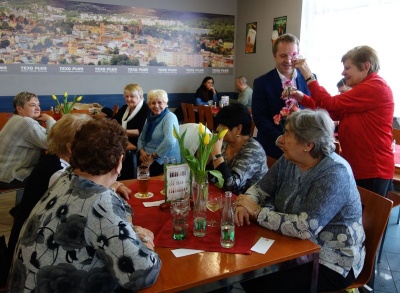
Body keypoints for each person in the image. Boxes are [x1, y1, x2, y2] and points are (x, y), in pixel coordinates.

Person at [8, 118, 161, 292]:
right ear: (119, 162)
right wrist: (147, 243)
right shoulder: (99, 201)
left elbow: (115, 205)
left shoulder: (68, 176)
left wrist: (128, 227)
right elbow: (142, 274)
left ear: (74, 151)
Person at [235, 109, 365, 292]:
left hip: (331, 260)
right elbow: (260, 188)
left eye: (288, 133)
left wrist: (256, 211)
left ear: (308, 144)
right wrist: (245, 203)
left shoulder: (334, 172)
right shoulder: (289, 159)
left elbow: (304, 227)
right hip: (292, 245)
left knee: (261, 280)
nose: (281, 139)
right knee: (246, 270)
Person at [291, 45, 394, 197]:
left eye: (347, 68)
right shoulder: (365, 89)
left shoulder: (376, 86)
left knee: (366, 220)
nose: (343, 73)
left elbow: (330, 104)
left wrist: (308, 75)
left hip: (372, 169)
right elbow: (332, 111)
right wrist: (303, 98)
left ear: (366, 66)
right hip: (360, 166)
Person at [252, 33, 314, 162]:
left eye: (293, 55)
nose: (288, 60)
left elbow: (315, 109)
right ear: (274, 56)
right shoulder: (262, 82)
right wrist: (279, 138)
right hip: (274, 147)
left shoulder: (310, 78)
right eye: (283, 56)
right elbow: (260, 117)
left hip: (304, 149)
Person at [0, 91, 56, 189]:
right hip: (10, 176)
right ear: (19, 109)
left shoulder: (16, 118)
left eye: (38, 105)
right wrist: (50, 120)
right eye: (32, 105)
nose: (38, 108)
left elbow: (44, 134)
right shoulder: (26, 122)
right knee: (52, 169)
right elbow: (50, 143)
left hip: (3, 171)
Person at [208, 103, 267, 194]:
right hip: (226, 198)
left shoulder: (253, 151)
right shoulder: (225, 143)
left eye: (222, 125)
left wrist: (216, 155)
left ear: (238, 129)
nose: (218, 128)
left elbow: (231, 186)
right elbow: (212, 174)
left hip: (249, 203)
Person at [138, 89, 181, 176]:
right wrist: (142, 151)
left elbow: (169, 141)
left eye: (160, 102)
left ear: (166, 103)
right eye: (153, 103)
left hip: (165, 159)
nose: (156, 106)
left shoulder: (170, 117)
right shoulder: (150, 118)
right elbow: (141, 138)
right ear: (149, 105)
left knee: (142, 175)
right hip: (148, 156)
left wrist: (152, 158)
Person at [114, 83, 151, 179]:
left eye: (132, 96)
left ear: (140, 96)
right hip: (126, 140)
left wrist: (122, 131)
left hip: (140, 145)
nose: (129, 99)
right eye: (126, 96)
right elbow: (113, 121)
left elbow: (141, 131)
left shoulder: (145, 110)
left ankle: (125, 178)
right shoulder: (125, 108)